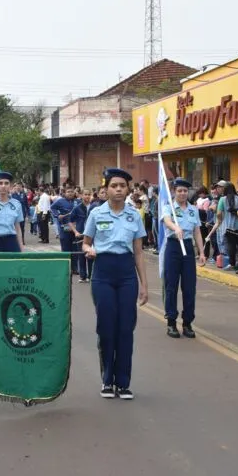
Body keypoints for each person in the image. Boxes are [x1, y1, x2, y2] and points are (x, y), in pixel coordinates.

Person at [82, 168, 148, 400]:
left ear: (128, 189)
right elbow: (86, 242)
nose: (119, 189)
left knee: (125, 329)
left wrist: (144, 284)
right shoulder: (96, 214)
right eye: (114, 185)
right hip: (103, 273)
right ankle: (107, 380)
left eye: (122, 185)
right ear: (106, 189)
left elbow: (139, 253)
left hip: (126, 273)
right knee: (106, 328)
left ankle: (124, 382)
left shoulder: (134, 216)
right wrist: (89, 249)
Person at [161, 178, 206, 339]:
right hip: (173, 246)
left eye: (185, 191)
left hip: (187, 246)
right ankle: (171, 322)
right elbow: (166, 221)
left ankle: (187, 322)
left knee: (189, 287)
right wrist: (175, 227)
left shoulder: (193, 210)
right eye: (179, 190)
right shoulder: (168, 208)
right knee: (171, 285)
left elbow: (197, 232)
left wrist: (201, 252)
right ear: (174, 191)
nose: (182, 193)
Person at [51, 185, 78, 273]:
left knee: (75, 249)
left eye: (71, 191)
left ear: (74, 192)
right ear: (64, 193)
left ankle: (75, 268)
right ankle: (66, 268)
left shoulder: (78, 202)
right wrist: (58, 215)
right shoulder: (60, 201)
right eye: (68, 192)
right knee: (66, 249)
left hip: (76, 229)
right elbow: (52, 208)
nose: (70, 193)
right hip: (64, 228)